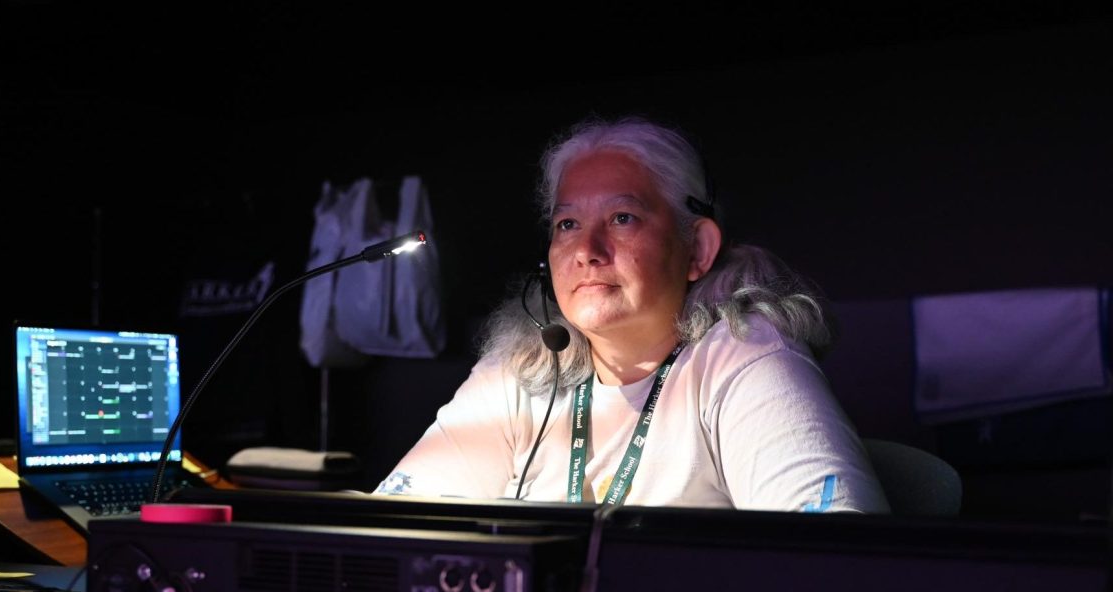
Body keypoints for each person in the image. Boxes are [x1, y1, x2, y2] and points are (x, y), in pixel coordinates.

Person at [376, 115, 890, 513]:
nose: (588, 250)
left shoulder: (746, 355)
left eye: (623, 218)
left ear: (697, 250)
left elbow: (838, 561)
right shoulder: (522, 367)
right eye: (568, 224)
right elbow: (393, 527)